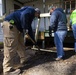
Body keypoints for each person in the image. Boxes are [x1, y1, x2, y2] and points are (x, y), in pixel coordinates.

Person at [2, 6, 41, 75]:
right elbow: (24, 15)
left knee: (21, 44)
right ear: (37, 13)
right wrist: (25, 28)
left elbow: (30, 30)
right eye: (37, 15)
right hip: (10, 25)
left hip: (17, 28)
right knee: (10, 47)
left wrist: (34, 42)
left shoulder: (30, 16)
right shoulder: (31, 10)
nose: (36, 17)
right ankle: (7, 70)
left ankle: (23, 59)